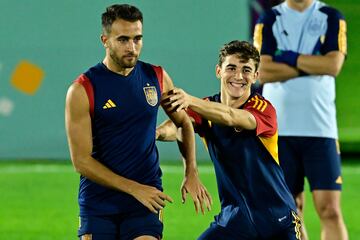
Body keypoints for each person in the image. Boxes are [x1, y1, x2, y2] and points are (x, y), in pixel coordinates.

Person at [65, 4, 211, 240]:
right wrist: (134, 189)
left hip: (146, 198)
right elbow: (81, 161)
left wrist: (191, 172)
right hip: (98, 203)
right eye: (123, 39)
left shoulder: (157, 77)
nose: (132, 48)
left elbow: (184, 123)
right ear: (105, 40)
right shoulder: (83, 89)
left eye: (137, 39)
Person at [157, 40, 301, 240]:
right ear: (218, 71)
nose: (238, 76)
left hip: (276, 220)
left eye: (246, 70)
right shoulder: (206, 107)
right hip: (234, 220)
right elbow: (178, 126)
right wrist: (155, 134)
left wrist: (189, 100)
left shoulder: (263, 109)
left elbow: (230, 116)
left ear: (256, 76)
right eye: (231, 68)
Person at [253, 0, 348, 239]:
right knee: (289, 210)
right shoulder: (269, 18)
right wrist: (314, 64)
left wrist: (287, 58)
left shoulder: (330, 16)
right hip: (278, 131)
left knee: (330, 210)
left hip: (321, 129)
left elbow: (333, 64)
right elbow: (262, 71)